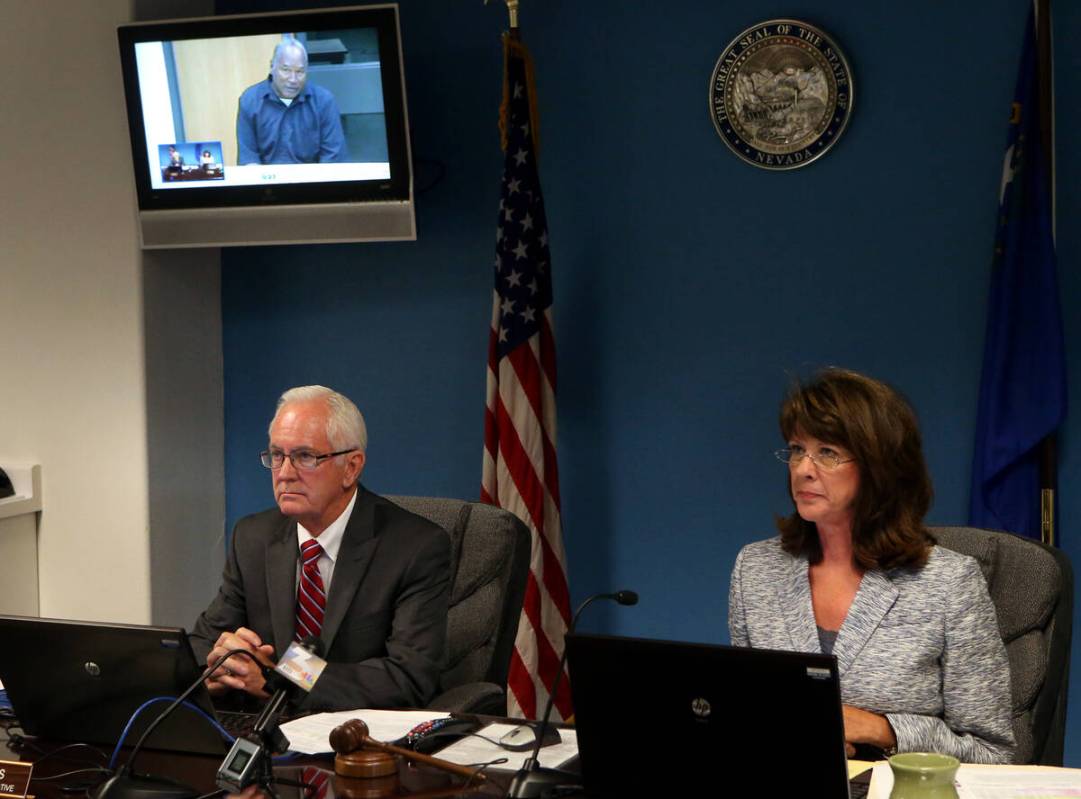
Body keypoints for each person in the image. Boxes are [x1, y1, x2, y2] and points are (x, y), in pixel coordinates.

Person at [728, 368, 1015, 764]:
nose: (803, 469)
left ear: (880, 469)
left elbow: (992, 753)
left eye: (827, 452)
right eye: (797, 449)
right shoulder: (756, 570)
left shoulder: (949, 584)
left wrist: (883, 729)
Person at [190, 385, 450, 711]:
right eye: (277, 456)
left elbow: (408, 677)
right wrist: (217, 668)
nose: (284, 473)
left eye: (304, 457)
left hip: (358, 743)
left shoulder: (415, 548)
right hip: (263, 734)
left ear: (351, 467)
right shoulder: (253, 538)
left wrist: (280, 676)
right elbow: (201, 644)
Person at [236, 38, 348, 165]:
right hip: (267, 182)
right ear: (272, 67)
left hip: (311, 181)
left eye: (300, 72)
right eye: (286, 70)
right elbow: (249, 159)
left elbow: (332, 158)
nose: (293, 79)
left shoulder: (324, 102)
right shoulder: (250, 101)